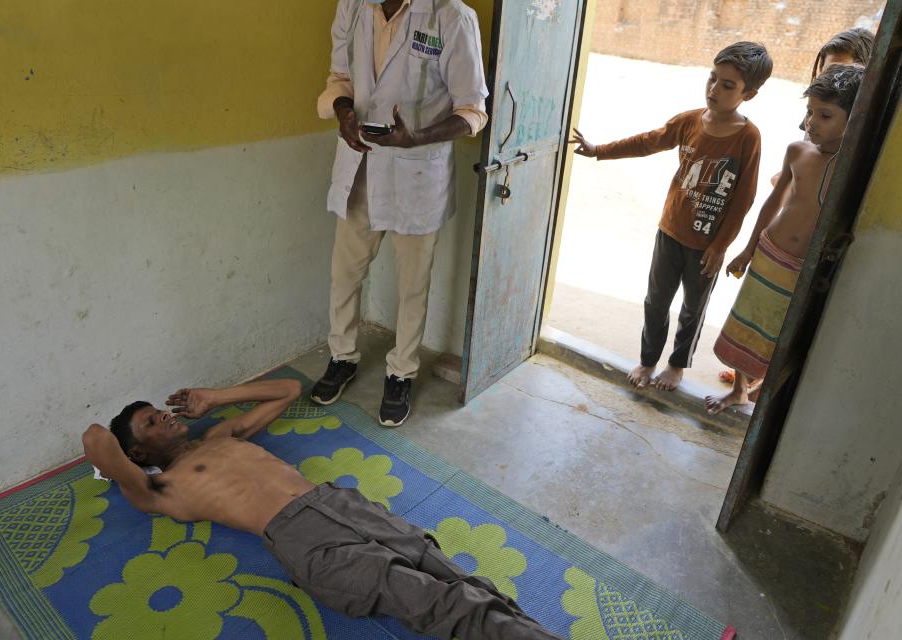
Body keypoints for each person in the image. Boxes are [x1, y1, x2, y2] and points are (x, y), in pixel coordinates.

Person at [82, 378, 563, 640]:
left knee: (459, 580)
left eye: (158, 410)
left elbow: (287, 389)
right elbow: (95, 439)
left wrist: (216, 397)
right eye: (151, 421)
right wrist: (125, 460)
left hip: (339, 502)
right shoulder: (162, 488)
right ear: (139, 454)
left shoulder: (219, 434)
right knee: (436, 600)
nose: (164, 414)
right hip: (306, 541)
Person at [310, 0, 489, 427]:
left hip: (416, 175)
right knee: (345, 273)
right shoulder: (353, 7)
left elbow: (473, 111)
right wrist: (344, 112)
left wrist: (417, 138)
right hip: (361, 166)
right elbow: (339, 78)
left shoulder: (451, 16)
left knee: (412, 285)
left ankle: (401, 372)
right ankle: (343, 357)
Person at [570, 42, 772, 392]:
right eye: (712, 79)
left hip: (707, 245)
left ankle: (677, 365)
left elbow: (744, 198)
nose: (714, 90)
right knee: (656, 300)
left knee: (692, 309)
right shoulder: (690, 121)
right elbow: (649, 141)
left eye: (728, 85)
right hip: (670, 232)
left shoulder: (748, 137)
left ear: (749, 95)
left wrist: (721, 245)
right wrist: (598, 150)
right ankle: (648, 360)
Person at [705, 65, 864, 414]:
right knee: (749, 321)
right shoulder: (797, 151)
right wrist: (747, 250)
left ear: (854, 119)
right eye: (810, 112)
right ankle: (738, 389)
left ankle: (764, 391)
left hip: (801, 268)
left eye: (825, 115)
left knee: (779, 332)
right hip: (769, 253)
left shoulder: (850, 168)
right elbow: (772, 203)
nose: (812, 122)